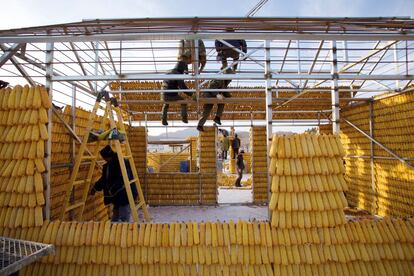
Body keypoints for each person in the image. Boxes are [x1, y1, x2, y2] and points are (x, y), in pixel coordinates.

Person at [91, 145, 138, 222]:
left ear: (108, 157)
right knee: (116, 215)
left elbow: (123, 179)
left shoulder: (122, 163)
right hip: (117, 195)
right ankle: (113, 230)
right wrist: (95, 188)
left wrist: (112, 190)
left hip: (124, 194)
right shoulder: (109, 165)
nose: (104, 160)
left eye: (104, 158)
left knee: (124, 217)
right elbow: (104, 179)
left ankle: (124, 232)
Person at [161, 61, 193, 126]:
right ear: (181, 68)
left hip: (163, 94)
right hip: (171, 95)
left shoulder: (168, 71)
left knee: (166, 104)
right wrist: (192, 94)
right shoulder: (177, 74)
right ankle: (184, 118)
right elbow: (183, 87)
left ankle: (163, 120)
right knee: (184, 102)